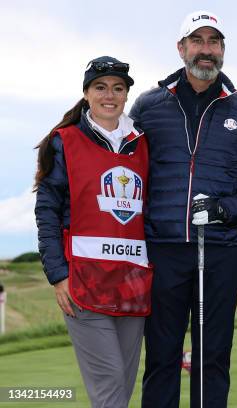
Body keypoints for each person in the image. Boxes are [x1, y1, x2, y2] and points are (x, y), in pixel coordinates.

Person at [129, 10, 237, 408]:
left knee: (212, 359)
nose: (206, 50)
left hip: (220, 251)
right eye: (198, 41)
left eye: (214, 42)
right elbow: (126, 170)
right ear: (182, 49)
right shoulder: (148, 105)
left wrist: (224, 210)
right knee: (161, 357)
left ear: (223, 50)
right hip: (163, 249)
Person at [35, 56, 151, 408]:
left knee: (123, 384)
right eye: (100, 87)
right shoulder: (64, 141)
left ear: (127, 95)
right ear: (86, 93)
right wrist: (58, 275)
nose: (109, 95)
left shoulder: (143, 142)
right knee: (110, 381)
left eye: (118, 88)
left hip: (134, 280)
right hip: (83, 280)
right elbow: (47, 212)